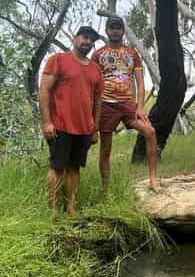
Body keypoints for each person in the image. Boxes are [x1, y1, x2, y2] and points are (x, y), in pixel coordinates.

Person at [39, 26, 104, 217]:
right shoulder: (58, 60)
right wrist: (47, 122)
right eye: (85, 37)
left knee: (74, 168)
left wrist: (95, 129)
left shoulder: (95, 70)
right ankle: (53, 210)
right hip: (60, 125)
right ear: (75, 38)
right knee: (57, 167)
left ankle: (70, 207)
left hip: (84, 128)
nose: (88, 42)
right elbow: (44, 90)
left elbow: (98, 101)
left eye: (92, 39)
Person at [91, 16, 159, 192]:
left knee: (150, 132)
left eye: (118, 28)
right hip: (106, 104)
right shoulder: (98, 54)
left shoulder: (132, 54)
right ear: (107, 31)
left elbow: (140, 82)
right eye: (112, 28)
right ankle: (105, 188)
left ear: (123, 31)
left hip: (128, 104)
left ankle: (153, 179)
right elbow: (91, 81)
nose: (115, 31)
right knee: (105, 150)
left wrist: (140, 106)